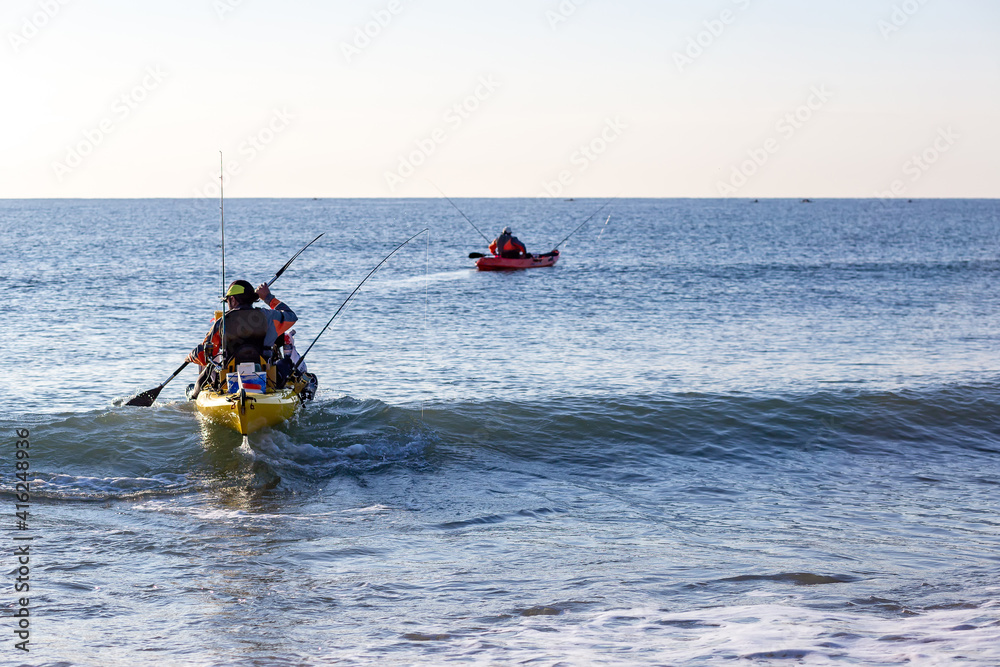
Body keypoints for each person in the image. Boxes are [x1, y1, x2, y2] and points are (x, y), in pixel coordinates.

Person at [187, 280, 298, 398]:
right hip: (267, 376)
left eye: (228, 301)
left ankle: (193, 396)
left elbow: (204, 356)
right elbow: (291, 316)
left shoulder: (221, 322)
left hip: (227, 378)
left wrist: (191, 356)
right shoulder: (268, 316)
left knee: (209, 368)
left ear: (233, 299)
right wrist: (267, 298)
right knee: (287, 363)